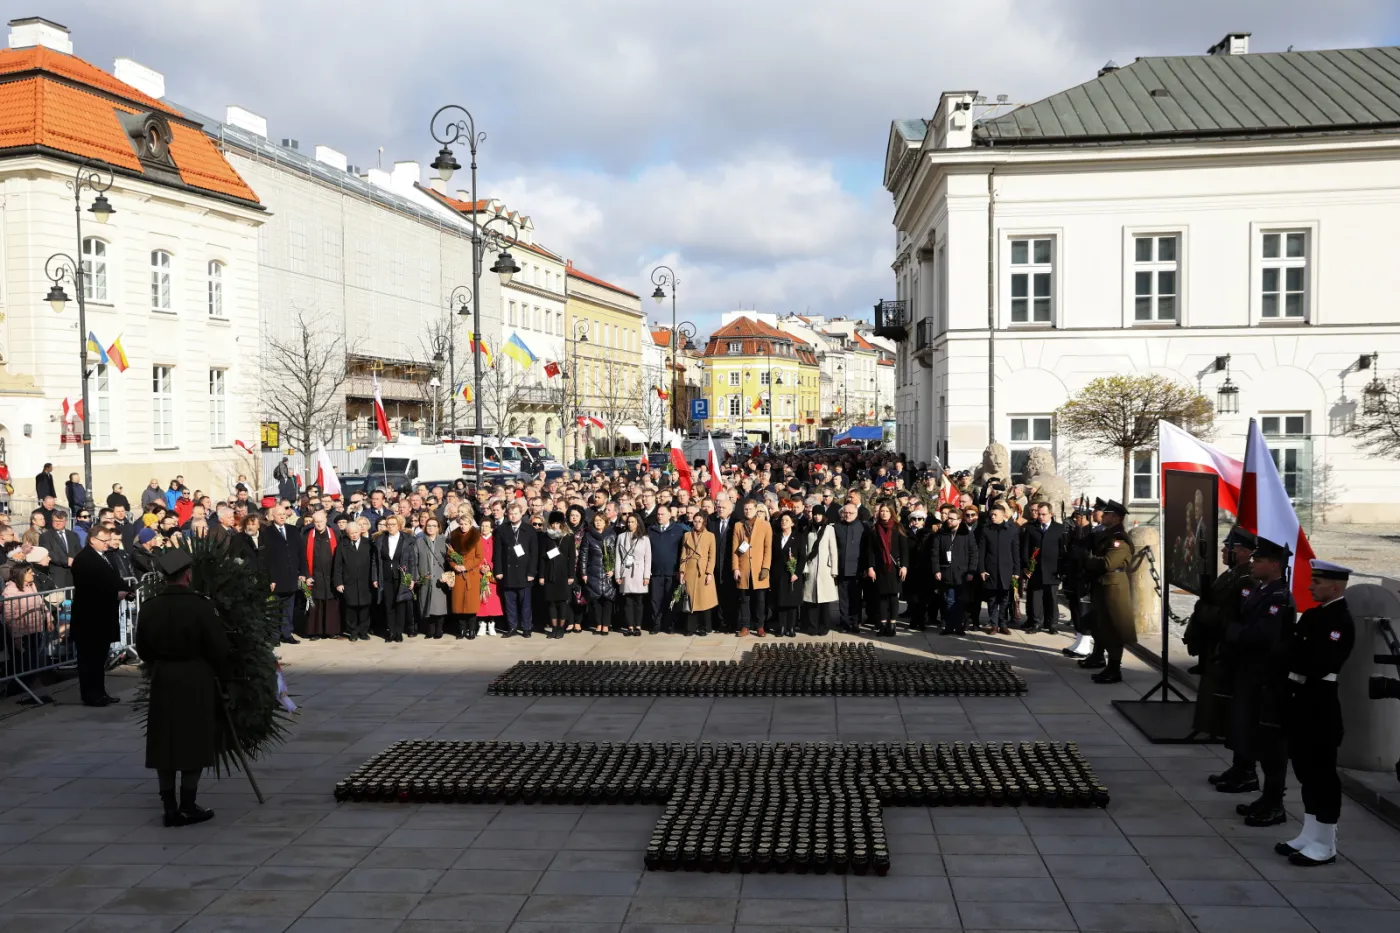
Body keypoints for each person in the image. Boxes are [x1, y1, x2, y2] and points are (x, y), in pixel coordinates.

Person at [134, 548, 230, 827]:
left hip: (163, 677)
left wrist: (159, 665)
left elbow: (143, 648)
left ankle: (170, 807)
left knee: (165, 742)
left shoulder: (150, 606)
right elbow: (218, 648)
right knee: (194, 740)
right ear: (187, 575)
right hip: (195, 677)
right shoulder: (201, 606)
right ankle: (188, 803)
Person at [1276, 559, 1355, 867]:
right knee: (1306, 773)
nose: (1310, 586)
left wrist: (1293, 663)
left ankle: (1326, 842)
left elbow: (1321, 664)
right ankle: (1309, 834)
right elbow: (1292, 654)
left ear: (1335, 587)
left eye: (1317, 582)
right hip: (1301, 702)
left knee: (1322, 776)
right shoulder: (1312, 615)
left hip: (1320, 706)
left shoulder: (1339, 622)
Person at [1215, 537, 1296, 828]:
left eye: (1259, 560)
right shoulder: (1259, 590)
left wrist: (1234, 632)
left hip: (1265, 679)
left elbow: (1260, 636)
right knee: (1247, 731)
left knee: (1270, 744)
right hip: (1248, 673)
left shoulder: (1278, 598)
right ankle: (1262, 794)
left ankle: (1274, 802)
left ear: (1275, 566)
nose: (1253, 563)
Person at [1186, 527, 1255, 736]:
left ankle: (1216, 726)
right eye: (1225, 547)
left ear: (1245, 552)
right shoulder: (1231, 573)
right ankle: (1207, 725)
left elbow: (1231, 614)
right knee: (1209, 686)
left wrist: (1203, 610)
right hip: (1213, 640)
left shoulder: (1246, 578)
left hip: (1225, 641)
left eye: (1230, 547)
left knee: (1219, 687)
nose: (1224, 551)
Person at [70, 525, 128, 707]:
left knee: (99, 658)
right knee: (89, 659)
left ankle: (100, 692)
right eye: (104, 541)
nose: (107, 544)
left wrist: (128, 590)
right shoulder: (83, 559)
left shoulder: (105, 556)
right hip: (89, 618)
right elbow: (90, 589)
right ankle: (90, 694)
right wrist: (115, 594)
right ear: (92, 540)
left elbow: (113, 578)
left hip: (103, 617)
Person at [1082, 500, 1136, 684]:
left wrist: (1088, 560)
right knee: (1101, 625)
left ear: (1116, 518)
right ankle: (1100, 658)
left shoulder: (1119, 539)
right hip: (1103, 584)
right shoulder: (1108, 535)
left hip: (1113, 587)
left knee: (1114, 628)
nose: (1102, 516)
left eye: (1107, 514)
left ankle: (1114, 668)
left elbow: (1107, 563)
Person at [861, 501, 908, 637]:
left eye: (887, 511)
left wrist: (904, 566)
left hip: (894, 568)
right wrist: (870, 567)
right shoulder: (874, 529)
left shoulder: (898, 528)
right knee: (881, 597)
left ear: (891, 513)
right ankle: (882, 625)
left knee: (893, 597)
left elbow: (904, 550)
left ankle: (892, 624)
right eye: (882, 511)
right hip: (879, 568)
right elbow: (869, 551)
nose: (884, 513)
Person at [932, 505, 978, 636]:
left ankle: (959, 626)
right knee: (949, 600)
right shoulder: (941, 533)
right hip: (946, 572)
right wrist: (936, 570)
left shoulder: (967, 534)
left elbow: (973, 553)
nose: (949, 521)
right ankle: (949, 626)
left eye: (952, 519)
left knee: (960, 601)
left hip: (962, 574)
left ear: (959, 520)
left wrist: (971, 571)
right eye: (948, 518)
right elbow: (935, 553)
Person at [494, 501, 538, 638]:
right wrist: (499, 571)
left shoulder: (529, 530)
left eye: (516, 514)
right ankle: (512, 626)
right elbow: (498, 552)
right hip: (508, 572)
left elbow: (534, 553)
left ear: (521, 514)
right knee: (510, 602)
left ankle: (526, 627)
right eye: (511, 514)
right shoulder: (502, 530)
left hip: (524, 572)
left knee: (525, 603)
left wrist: (532, 572)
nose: (513, 516)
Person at [1020, 501, 1064, 634]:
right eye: (1039, 514)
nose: (1040, 517)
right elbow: (1025, 549)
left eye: (1043, 514)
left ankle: (1052, 624)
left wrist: (1062, 570)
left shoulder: (1059, 529)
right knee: (1035, 599)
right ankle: (1036, 623)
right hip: (1036, 570)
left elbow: (1062, 551)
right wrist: (1026, 567)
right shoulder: (1031, 528)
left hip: (1052, 570)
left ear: (1051, 514)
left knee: (1051, 598)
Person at [978, 502, 1019, 636]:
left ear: (1003, 515)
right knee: (992, 599)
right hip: (991, 569)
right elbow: (982, 552)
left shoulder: (1012, 529)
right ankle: (994, 624)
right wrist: (982, 569)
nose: (993, 517)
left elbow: (1015, 551)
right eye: (991, 515)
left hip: (1007, 569)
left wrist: (1016, 571)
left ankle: (1003, 623)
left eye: (995, 515)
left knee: (1005, 598)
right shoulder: (986, 529)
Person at [261, 506, 301, 645]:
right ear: (272, 516)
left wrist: (302, 572)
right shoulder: (267, 532)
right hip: (276, 577)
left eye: (284, 514)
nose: (282, 517)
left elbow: (299, 552)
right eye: (279, 514)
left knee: (289, 607)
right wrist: (270, 578)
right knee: (275, 608)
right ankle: (275, 636)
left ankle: (286, 633)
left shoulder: (293, 530)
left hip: (291, 576)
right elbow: (266, 558)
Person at [333, 517, 377, 642]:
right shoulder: (343, 545)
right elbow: (338, 566)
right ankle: (353, 631)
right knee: (350, 608)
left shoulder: (368, 543)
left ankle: (363, 631)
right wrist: (338, 582)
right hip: (349, 582)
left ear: (360, 532)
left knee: (365, 608)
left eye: (356, 532)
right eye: (351, 533)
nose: (353, 535)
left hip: (365, 582)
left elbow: (374, 563)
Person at [1061, 506, 1096, 658]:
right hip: (1073, 577)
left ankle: (1085, 644)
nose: (1075, 520)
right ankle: (1079, 640)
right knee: (1075, 610)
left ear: (1086, 517)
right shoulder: (1076, 532)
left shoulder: (1091, 534)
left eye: (1078, 517)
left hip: (1083, 578)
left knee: (1084, 612)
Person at [375, 514, 417, 643]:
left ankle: (399, 632)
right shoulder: (381, 539)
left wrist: (411, 579)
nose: (390, 527)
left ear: (399, 526)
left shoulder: (407, 540)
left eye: (393, 524)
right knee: (388, 605)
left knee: (400, 604)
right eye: (388, 525)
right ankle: (391, 631)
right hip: (386, 576)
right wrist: (375, 578)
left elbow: (412, 560)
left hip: (402, 576)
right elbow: (375, 561)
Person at [646, 505, 687, 634]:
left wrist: (679, 569)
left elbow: (682, 551)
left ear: (670, 515)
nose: (659, 516)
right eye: (658, 514)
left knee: (671, 599)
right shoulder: (651, 530)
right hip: (656, 572)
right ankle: (656, 624)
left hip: (671, 572)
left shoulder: (678, 530)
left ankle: (669, 625)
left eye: (662, 514)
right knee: (655, 600)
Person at [300, 510, 340, 639]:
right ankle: (315, 632)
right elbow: (303, 559)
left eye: (321, 521)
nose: (319, 524)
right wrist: (307, 575)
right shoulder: (307, 536)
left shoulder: (335, 534)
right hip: (314, 575)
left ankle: (331, 631)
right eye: (316, 522)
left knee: (331, 603)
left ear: (326, 521)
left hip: (330, 575)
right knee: (315, 604)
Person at [800, 503, 838, 636]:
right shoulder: (808, 529)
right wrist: (804, 566)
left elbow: (833, 549)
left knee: (824, 601)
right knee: (811, 600)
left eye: (819, 514)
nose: (817, 516)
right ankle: (812, 626)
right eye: (815, 514)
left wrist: (834, 569)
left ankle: (824, 626)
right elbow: (804, 550)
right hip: (811, 567)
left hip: (825, 570)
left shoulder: (829, 529)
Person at [536, 511, 576, 639]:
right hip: (549, 572)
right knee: (551, 602)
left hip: (563, 572)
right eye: (553, 523)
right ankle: (553, 627)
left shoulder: (568, 536)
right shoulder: (546, 537)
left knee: (562, 602)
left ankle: (561, 628)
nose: (555, 526)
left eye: (558, 523)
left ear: (562, 524)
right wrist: (541, 575)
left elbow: (572, 557)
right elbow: (542, 557)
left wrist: (571, 575)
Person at [678, 511, 718, 636]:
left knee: (704, 601)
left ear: (704, 522)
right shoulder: (687, 536)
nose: (697, 523)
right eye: (695, 521)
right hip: (690, 570)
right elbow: (683, 555)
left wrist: (709, 573)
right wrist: (681, 571)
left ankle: (704, 627)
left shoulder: (710, 536)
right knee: (690, 600)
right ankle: (690, 628)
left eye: (700, 521)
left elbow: (712, 556)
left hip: (703, 571)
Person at [579, 510, 617, 635]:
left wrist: (613, 570)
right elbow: (583, 555)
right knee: (595, 599)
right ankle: (598, 624)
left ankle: (606, 624)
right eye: (596, 521)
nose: (598, 523)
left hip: (608, 572)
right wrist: (583, 573)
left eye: (600, 520)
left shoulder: (612, 535)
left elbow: (616, 555)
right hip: (593, 571)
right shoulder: (588, 536)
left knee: (607, 599)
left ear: (605, 522)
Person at [614, 512, 651, 637]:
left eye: (633, 522)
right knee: (628, 601)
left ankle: (638, 626)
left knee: (638, 601)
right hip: (626, 570)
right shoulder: (621, 537)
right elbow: (618, 557)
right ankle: (630, 626)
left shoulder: (644, 538)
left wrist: (646, 576)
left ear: (638, 523)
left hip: (639, 572)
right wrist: (617, 575)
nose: (630, 524)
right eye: (628, 522)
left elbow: (648, 558)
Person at [446, 521, 486, 639]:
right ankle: (462, 630)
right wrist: (455, 566)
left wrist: (467, 566)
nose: (463, 526)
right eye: (461, 524)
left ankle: (472, 629)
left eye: (466, 524)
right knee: (459, 604)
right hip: (458, 575)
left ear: (470, 525)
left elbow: (479, 557)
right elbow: (449, 555)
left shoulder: (476, 538)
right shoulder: (454, 536)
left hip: (471, 574)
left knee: (471, 605)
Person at [770, 511, 805, 638]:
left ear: (792, 523)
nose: (783, 522)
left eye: (786, 520)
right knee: (780, 602)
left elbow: (802, 558)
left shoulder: (799, 537)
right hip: (779, 574)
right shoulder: (776, 536)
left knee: (792, 602)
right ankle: (781, 627)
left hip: (792, 575)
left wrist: (797, 573)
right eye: (782, 520)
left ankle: (791, 627)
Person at [832, 502, 865, 634]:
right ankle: (844, 622)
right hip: (842, 568)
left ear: (856, 514)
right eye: (845, 513)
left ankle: (855, 622)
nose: (848, 515)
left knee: (856, 598)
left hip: (857, 569)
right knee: (843, 598)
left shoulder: (862, 527)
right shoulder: (836, 527)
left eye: (851, 513)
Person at [414, 516, 450, 639]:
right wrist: (418, 577)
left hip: (440, 578)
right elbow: (415, 560)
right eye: (428, 525)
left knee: (439, 605)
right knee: (426, 605)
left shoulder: (444, 540)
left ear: (438, 528)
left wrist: (448, 576)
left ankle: (439, 629)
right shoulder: (420, 541)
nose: (431, 528)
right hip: (426, 577)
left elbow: (450, 560)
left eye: (434, 526)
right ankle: (430, 630)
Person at [39, 509, 81, 589]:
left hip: (73, 572)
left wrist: (75, 561)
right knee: (59, 597)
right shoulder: (45, 536)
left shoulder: (73, 535)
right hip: (57, 572)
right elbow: (48, 552)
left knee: (71, 598)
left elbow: (78, 551)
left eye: (60, 521)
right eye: (55, 521)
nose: (58, 523)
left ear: (65, 521)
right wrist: (66, 561)